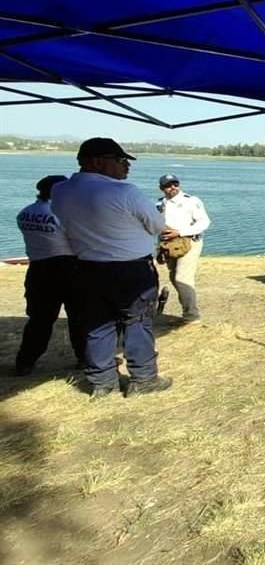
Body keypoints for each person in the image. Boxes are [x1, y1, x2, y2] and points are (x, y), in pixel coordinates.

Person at [51, 137, 173, 398]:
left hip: (87, 268)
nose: (126, 166)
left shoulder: (60, 190)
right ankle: (143, 378)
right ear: (97, 162)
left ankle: (102, 383)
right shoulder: (124, 192)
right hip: (131, 270)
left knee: (97, 325)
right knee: (137, 321)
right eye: (120, 161)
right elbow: (157, 226)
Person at [13, 175, 86, 375]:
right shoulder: (63, 215)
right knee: (79, 317)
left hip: (37, 268)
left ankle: (25, 361)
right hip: (68, 267)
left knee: (39, 319)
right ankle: (84, 358)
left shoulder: (25, 213)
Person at [156, 173, 211, 321]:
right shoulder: (160, 203)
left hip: (189, 242)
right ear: (161, 188)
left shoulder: (191, 201)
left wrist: (180, 232)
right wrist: (159, 246)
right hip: (170, 245)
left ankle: (191, 316)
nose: (173, 187)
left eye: (175, 184)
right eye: (168, 185)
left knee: (182, 278)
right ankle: (188, 309)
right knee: (174, 277)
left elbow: (204, 222)